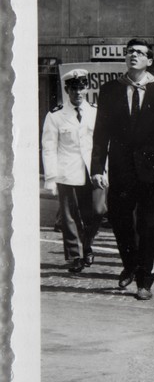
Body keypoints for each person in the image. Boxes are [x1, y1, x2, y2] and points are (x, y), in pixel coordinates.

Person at [90, 38, 154, 300]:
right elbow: (100, 133)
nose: (133, 56)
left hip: (151, 170)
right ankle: (129, 263)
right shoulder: (110, 90)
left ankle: (144, 280)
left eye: (139, 53)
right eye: (129, 52)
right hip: (121, 168)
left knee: (148, 225)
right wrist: (97, 168)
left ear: (149, 60)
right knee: (120, 221)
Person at [41, 68, 105, 273]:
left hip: (94, 171)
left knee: (97, 211)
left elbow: (105, 144)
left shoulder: (96, 112)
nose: (78, 92)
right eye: (74, 88)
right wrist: (51, 178)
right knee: (70, 216)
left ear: (87, 88)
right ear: (67, 90)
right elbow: (49, 147)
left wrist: (105, 170)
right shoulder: (55, 116)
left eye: (81, 88)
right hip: (67, 171)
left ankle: (87, 245)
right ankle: (76, 256)